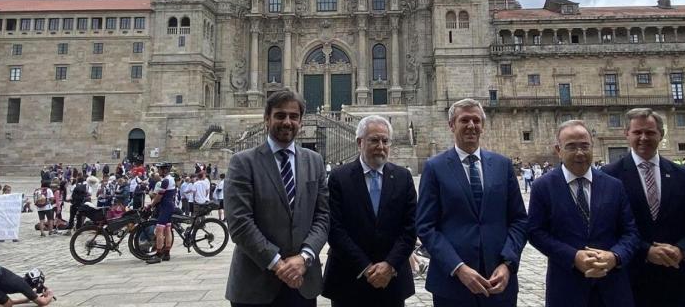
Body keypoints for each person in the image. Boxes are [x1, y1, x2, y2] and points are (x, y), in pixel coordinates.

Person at [415, 98, 527, 307]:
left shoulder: (502, 165)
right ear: (451, 125)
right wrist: (458, 267)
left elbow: (519, 220)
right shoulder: (434, 167)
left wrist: (507, 264)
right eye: (464, 120)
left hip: (499, 282)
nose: (471, 126)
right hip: (452, 284)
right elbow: (426, 226)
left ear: (483, 125)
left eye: (476, 120)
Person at [224, 88, 329, 306]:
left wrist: (305, 257)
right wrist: (278, 264)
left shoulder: (315, 161)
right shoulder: (242, 162)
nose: (287, 122)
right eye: (280, 115)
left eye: (294, 116)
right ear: (266, 118)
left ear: (301, 120)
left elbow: (323, 216)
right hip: (254, 285)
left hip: (302, 283)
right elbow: (240, 223)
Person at [601, 108, 685, 307]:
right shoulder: (609, 176)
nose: (643, 138)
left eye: (650, 132)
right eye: (637, 132)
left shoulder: (682, 175)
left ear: (661, 134)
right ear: (627, 134)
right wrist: (645, 251)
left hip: (678, 279)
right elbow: (606, 227)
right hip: (630, 280)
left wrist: (682, 250)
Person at [528, 120, 639, 307]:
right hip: (566, 288)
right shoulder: (543, 187)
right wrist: (573, 257)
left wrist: (615, 257)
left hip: (612, 288)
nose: (579, 153)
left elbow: (631, 232)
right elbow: (535, 233)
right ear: (558, 150)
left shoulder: (614, 186)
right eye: (571, 147)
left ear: (592, 146)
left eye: (584, 146)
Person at [322, 115, 417, 307]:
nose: (380, 146)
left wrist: (389, 265)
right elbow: (334, 229)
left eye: (385, 141)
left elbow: (411, 228)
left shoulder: (403, 177)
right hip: (348, 279)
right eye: (374, 140)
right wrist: (365, 267)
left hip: (392, 280)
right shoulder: (338, 178)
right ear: (359, 142)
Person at [144, 162, 177, 264]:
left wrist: (151, 205)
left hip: (165, 206)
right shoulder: (171, 179)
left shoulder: (166, 181)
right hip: (169, 205)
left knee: (159, 229)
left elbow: (159, 197)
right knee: (167, 229)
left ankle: (158, 254)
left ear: (165, 170)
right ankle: (166, 252)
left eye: (160, 169)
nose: (158, 171)